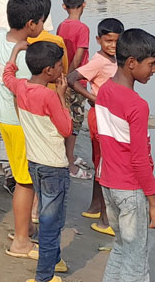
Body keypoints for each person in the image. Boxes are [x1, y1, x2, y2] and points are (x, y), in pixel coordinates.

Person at [0, 0, 48, 260]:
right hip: (21, 123)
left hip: (5, 118)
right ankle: (21, 240)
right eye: (42, 21)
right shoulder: (25, 58)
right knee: (25, 181)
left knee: (23, 175)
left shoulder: (0, 37)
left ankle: (26, 227)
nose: (43, 26)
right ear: (31, 24)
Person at [3, 40, 73, 282]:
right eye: (58, 66)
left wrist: (15, 52)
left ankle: (54, 260)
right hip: (54, 165)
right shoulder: (49, 96)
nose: (62, 71)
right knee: (51, 222)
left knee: (46, 212)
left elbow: (7, 75)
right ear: (48, 71)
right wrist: (62, 97)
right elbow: (66, 129)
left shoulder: (22, 87)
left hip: (35, 162)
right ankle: (44, 276)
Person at [94, 28, 155, 282]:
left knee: (121, 247)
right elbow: (140, 160)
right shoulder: (137, 105)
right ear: (132, 63)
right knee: (137, 259)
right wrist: (153, 201)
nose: (153, 71)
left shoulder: (105, 90)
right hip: (131, 189)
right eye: (151, 65)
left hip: (109, 184)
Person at [68, 17, 124, 237]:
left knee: (100, 161)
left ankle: (94, 207)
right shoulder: (99, 60)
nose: (112, 45)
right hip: (101, 116)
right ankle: (104, 219)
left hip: (107, 115)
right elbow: (73, 77)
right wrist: (93, 97)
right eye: (108, 41)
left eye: (116, 41)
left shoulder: (115, 59)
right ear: (99, 40)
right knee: (105, 165)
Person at [56, 0, 91, 179]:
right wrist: (71, 77)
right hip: (76, 80)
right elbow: (78, 56)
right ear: (84, 4)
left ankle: (68, 156)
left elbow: (62, 52)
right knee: (75, 124)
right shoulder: (83, 28)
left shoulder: (62, 26)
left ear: (63, 6)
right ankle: (70, 164)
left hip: (62, 77)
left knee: (65, 116)